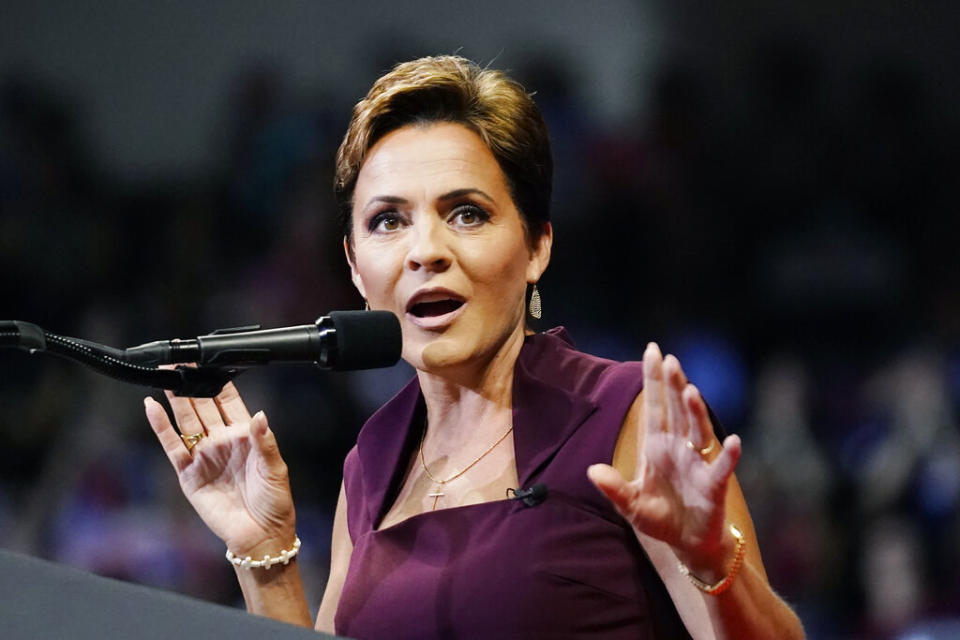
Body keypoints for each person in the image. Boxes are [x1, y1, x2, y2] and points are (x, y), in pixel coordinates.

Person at [143, 55, 805, 639]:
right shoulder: (370, 464)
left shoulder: (624, 416)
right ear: (353, 265)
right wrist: (268, 559)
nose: (426, 251)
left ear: (537, 245)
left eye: (467, 213)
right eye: (388, 221)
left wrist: (715, 563)